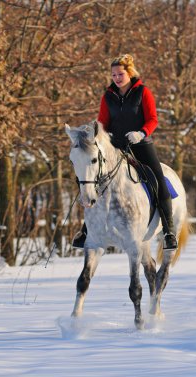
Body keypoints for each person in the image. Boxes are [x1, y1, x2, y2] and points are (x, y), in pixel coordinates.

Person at [73, 54, 177, 251]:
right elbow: (102, 123)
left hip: (141, 144)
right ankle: (86, 229)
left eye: (120, 74)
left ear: (130, 73)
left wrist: (141, 133)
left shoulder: (143, 92)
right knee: (92, 178)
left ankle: (169, 231)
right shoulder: (108, 96)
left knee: (158, 180)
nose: (117, 78)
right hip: (115, 146)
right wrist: (100, 134)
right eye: (113, 74)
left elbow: (153, 119)